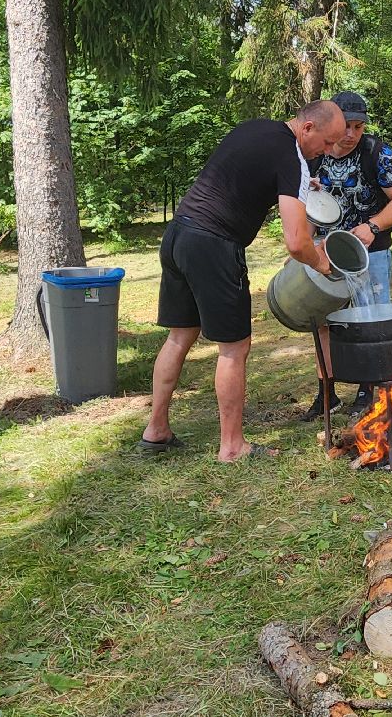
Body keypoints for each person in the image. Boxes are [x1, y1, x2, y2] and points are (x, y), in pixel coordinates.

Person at [141, 101, 346, 462]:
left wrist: (301, 184)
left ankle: (156, 429)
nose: (328, 152)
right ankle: (232, 446)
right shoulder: (292, 157)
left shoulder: (257, 128)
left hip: (178, 235)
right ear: (308, 128)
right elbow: (297, 242)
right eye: (327, 143)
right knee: (234, 348)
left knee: (179, 336)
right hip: (214, 245)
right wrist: (323, 265)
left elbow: (248, 176)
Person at [302, 91, 392, 416]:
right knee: (323, 320)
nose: (351, 134)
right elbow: (306, 208)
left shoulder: (377, 152)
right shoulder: (314, 153)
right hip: (326, 251)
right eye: (346, 126)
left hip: (371, 250)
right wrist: (304, 249)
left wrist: (373, 226)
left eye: (358, 126)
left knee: (369, 319)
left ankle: (368, 388)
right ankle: (327, 391)